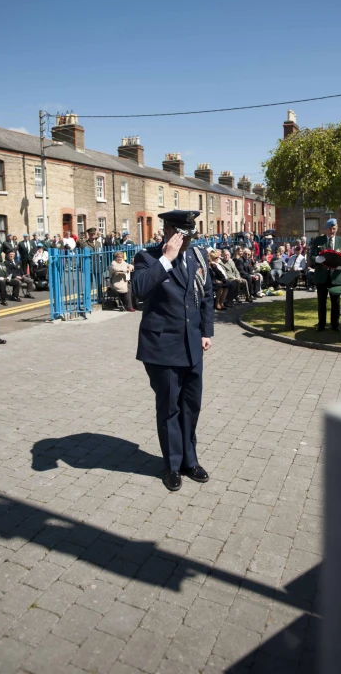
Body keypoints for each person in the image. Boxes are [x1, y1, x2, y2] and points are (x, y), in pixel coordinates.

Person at [133, 210, 213, 492]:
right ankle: (172, 464)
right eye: (182, 235)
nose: (187, 241)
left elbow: (206, 294)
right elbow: (140, 289)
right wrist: (166, 258)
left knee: (191, 405)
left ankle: (190, 461)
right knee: (169, 408)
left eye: (190, 235)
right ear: (167, 232)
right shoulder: (148, 257)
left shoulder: (197, 255)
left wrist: (206, 331)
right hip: (162, 347)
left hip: (192, 345)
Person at [309, 218, 341, 332]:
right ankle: (321, 324)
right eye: (330, 228)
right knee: (321, 302)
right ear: (326, 229)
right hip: (321, 275)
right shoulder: (319, 240)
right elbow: (312, 256)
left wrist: (340, 266)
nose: (332, 231)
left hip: (336, 276)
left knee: (335, 302)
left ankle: (335, 324)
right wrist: (317, 259)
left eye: (334, 228)